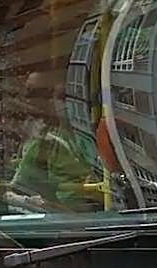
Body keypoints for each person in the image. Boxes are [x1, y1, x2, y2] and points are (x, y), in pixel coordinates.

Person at [5, 71, 97, 211]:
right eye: (62, 97)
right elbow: (15, 192)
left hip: (106, 217)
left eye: (73, 97)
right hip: (64, 222)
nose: (68, 103)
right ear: (52, 102)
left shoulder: (100, 138)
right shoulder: (43, 144)